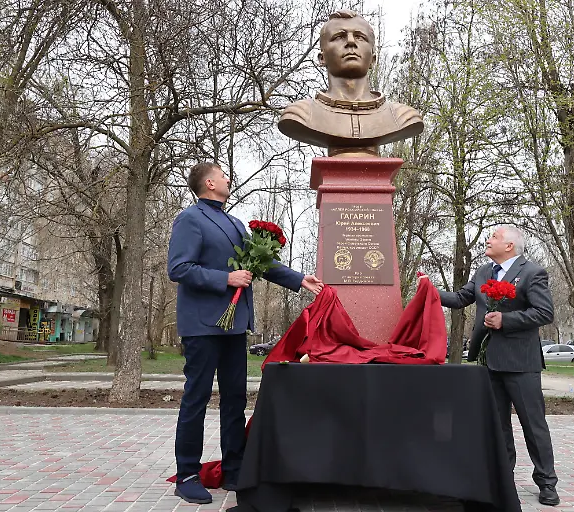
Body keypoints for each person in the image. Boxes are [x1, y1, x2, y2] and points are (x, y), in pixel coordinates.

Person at [167, 162, 323, 504]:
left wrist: (299, 279)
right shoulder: (191, 219)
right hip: (203, 327)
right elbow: (178, 268)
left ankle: (235, 469)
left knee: (235, 398)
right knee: (197, 397)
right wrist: (226, 279)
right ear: (209, 182)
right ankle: (188, 474)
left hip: (234, 326)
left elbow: (258, 263)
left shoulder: (234, 222)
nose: (228, 178)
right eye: (223, 174)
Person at [438, 225, 560, 506]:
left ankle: (546, 482)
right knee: (499, 425)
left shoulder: (533, 273)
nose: (488, 240)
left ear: (509, 246)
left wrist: (507, 320)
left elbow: (545, 312)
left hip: (521, 363)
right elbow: (459, 299)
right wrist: (429, 291)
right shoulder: (483, 272)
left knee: (533, 425)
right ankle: (503, 478)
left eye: (494, 236)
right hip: (488, 361)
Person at [277, 9, 423, 157]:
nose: (351, 42)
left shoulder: (401, 117)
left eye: (360, 37)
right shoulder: (302, 114)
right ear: (322, 58)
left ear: (373, 59)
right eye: (339, 37)